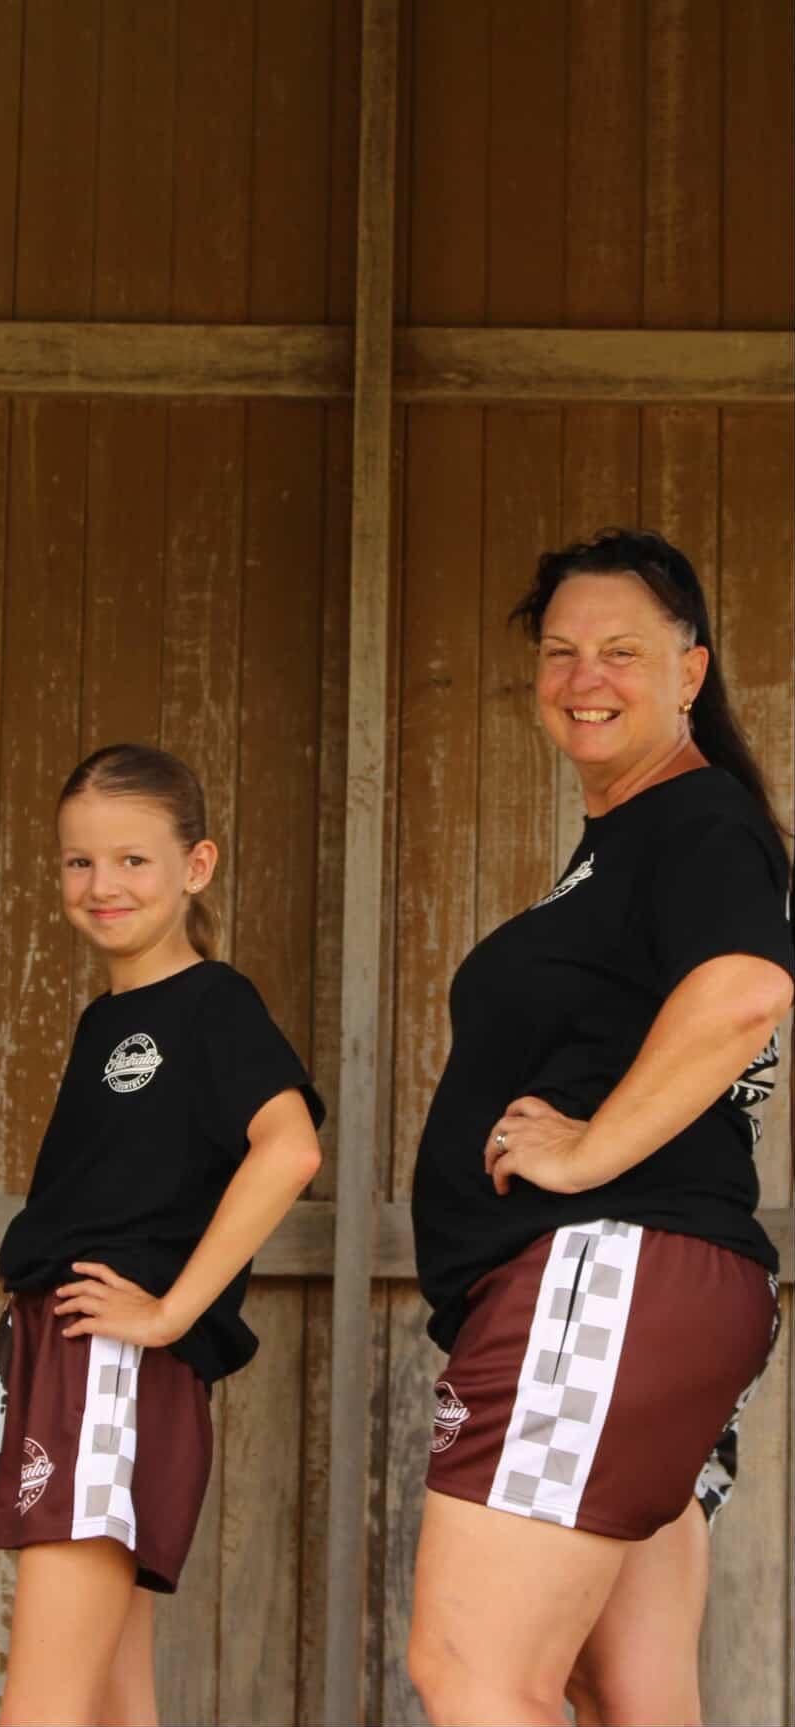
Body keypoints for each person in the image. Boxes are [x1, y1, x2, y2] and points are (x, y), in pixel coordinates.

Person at [407, 529, 793, 1727]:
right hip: (649, 1288)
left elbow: (746, 989)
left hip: (607, 1270)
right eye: (562, 650)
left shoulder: (695, 820)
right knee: (627, 1688)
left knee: (474, 1673)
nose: (586, 675)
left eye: (622, 650)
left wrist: (585, 1149)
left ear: (691, 671)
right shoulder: (626, 842)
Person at [0, 743, 324, 1726]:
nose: (101, 884)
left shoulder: (213, 1003)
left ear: (197, 865)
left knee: (42, 1705)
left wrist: (167, 1312)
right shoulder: (104, 1018)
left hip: (111, 1363)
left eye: (133, 859)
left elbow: (288, 1149)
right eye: (79, 860)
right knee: (114, 1697)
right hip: (62, 1352)